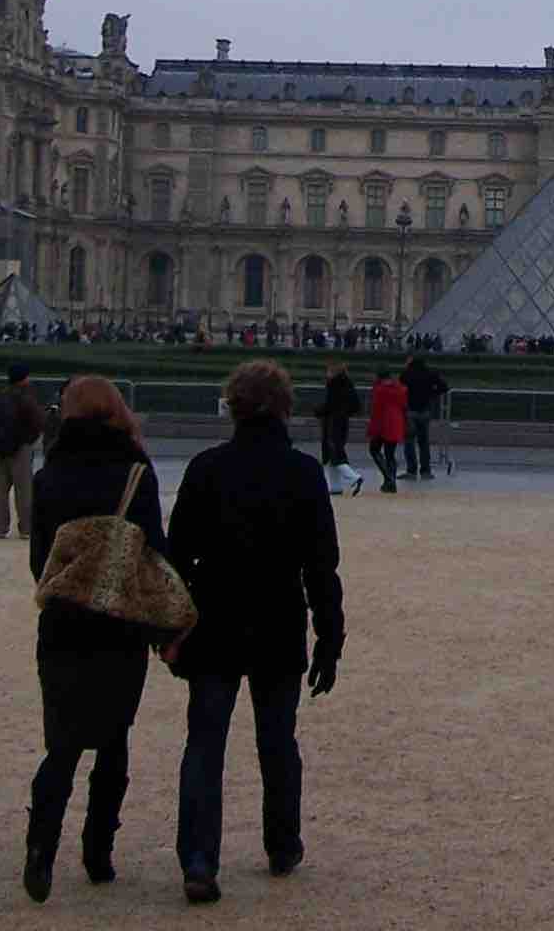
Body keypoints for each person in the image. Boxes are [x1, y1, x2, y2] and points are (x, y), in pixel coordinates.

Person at [164, 359, 342, 905]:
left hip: (214, 622)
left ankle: (199, 859)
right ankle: (283, 844)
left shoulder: (205, 468)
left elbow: (175, 560)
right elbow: (321, 565)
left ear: (232, 407)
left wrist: (172, 627)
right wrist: (330, 638)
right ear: (286, 408)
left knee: (204, 745)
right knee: (277, 743)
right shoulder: (304, 472)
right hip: (277, 622)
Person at [22, 376, 166, 901]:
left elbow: (40, 560)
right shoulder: (136, 473)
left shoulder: (49, 477)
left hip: (62, 623)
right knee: (113, 739)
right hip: (120, 624)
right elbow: (153, 554)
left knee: (60, 745)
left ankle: (40, 849)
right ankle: (98, 851)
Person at [0, 365, 47, 541]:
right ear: (23, 379)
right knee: (24, 491)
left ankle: (0, 527)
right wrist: (31, 438)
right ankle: (26, 528)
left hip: (0, 449)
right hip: (20, 448)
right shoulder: (26, 398)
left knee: (1, 491)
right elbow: (39, 420)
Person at [314, 360, 360, 493]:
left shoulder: (333, 385)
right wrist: (345, 412)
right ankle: (335, 486)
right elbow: (356, 405)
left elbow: (329, 405)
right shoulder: (348, 384)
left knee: (334, 453)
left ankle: (353, 477)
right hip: (342, 421)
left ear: (333, 372)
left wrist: (318, 411)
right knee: (332, 453)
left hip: (332, 422)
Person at [401, 353, 447, 480]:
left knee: (409, 442)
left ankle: (411, 471)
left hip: (410, 411)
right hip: (425, 411)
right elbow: (444, 387)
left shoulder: (407, 374)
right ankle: (426, 471)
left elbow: (400, 388)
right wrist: (432, 394)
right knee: (424, 442)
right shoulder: (431, 373)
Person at [366, 364, 408, 493]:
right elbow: (404, 406)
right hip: (396, 422)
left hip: (383, 423)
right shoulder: (401, 389)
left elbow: (376, 410)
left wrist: (372, 428)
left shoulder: (379, 389)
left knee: (374, 450)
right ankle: (391, 482)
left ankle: (388, 478)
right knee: (390, 454)